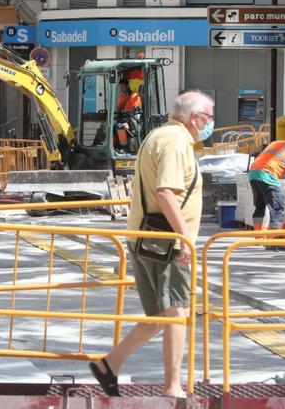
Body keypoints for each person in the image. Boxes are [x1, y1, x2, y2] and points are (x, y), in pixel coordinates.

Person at [89, 91, 214, 398]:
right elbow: (166, 192)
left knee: (160, 315)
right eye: (209, 118)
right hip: (168, 242)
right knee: (176, 313)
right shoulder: (175, 142)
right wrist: (184, 238)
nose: (211, 124)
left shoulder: (161, 136)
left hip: (148, 237)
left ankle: (109, 365)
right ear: (195, 118)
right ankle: (173, 387)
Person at [248, 130, 285, 233]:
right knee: (276, 208)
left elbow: (258, 155)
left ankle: (259, 237)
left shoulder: (275, 143)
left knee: (260, 207)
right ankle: (274, 240)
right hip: (268, 175)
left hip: (253, 173)